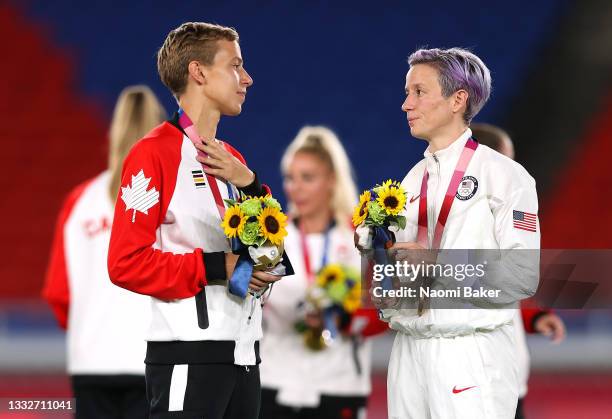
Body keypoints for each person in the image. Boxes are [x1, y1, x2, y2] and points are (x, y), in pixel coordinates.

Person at [107, 22, 284, 419]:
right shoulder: (153, 154)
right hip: (187, 356)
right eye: (235, 66)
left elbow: (271, 260)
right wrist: (218, 266)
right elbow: (125, 263)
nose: (248, 79)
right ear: (198, 72)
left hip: (244, 356)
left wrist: (253, 186)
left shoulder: (234, 161)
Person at [379, 47, 540, 419]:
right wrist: (378, 263)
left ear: (458, 99)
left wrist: (436, 264)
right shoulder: (409, 181)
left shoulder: (504, 175)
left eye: (418, 92)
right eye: (407, 93)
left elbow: (522, 275)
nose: (406, 104)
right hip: (407, 352)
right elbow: (394, 284)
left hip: (468, 353)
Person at [43, 85, 166, 418]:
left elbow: (58, 292)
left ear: (114, 132)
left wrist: (91, 326)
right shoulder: (169, 195)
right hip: (154, 358)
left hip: (91, 359)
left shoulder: (80, 201)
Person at [259, 126, 388, 419]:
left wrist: (342, 317)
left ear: (331, 180)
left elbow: (386, 308)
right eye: (290, 178)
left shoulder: (361, 238)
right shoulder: (272, 239)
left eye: (307, 178)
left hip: (339, 385)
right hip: (273, 381)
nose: (295, 188)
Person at [470, 122, 566, 419]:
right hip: (475, 379)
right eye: (508, 162)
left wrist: (533, 316)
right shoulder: (461, 230)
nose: (515, 172)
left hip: (508, 378)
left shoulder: (506, 219)